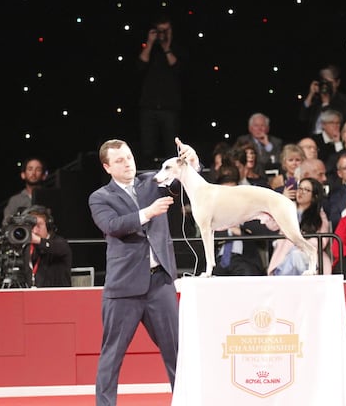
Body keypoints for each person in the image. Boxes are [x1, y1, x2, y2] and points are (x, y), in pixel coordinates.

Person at [88, 137, 199, 405]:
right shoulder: (100, 197)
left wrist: (192, 162)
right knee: (112, 355)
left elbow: (184, 181)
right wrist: (147, 212)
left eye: (128, 156)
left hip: (160, 283)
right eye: (119, 160)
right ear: (107, 167)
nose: (127, 163)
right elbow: (112, 225)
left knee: (176, 352)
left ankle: (185, 400)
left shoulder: (153, 181)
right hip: (124, 288)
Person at [137, 15, 184, 167]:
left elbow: (178, 69)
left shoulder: (177, 48)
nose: (162, 34)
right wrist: (150, 44)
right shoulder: (149, 49)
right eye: (160, 31)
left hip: (169, 106)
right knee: (148, 148)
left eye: (166, 30)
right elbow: (140, 67)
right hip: (149, 106)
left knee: (172, 147)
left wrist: (167, 48)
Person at [211, 170, 269, 276]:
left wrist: (241, 232)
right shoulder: (213, 216)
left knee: (247, 274)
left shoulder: (251, 212)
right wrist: (229, 230)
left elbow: (262, 237)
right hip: (217, 261)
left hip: (245, 260)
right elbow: (204, 240)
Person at [269, 178, 332, 275]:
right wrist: (282, 201)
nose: (300, 192)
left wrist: (302, 246)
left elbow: (322, 241)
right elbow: (271, 225)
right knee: (294, 256)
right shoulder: (287, 209)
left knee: (296, 255)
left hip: (308, 256)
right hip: (284, 256)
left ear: (314, 196)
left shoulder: (319, 216)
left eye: (306, 190)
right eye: (299, 188)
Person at [24, 205, 73, 287]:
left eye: (38, 225)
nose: (34, 231)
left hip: (58, 297)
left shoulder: (60, 243)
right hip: (32, 296)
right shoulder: (27, 248)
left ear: (48, 226)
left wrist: (38, 241)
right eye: (31, 226)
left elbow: (52, 248)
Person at [299, 64, 346, 134]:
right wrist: (310, 94)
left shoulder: (341, 99)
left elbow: (335, 122)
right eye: (324, 81)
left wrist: (325, 103)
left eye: (329, 82)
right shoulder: (317, 98)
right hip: (313, 137)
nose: (326, 85)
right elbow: (302, 117)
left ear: (337, 83)